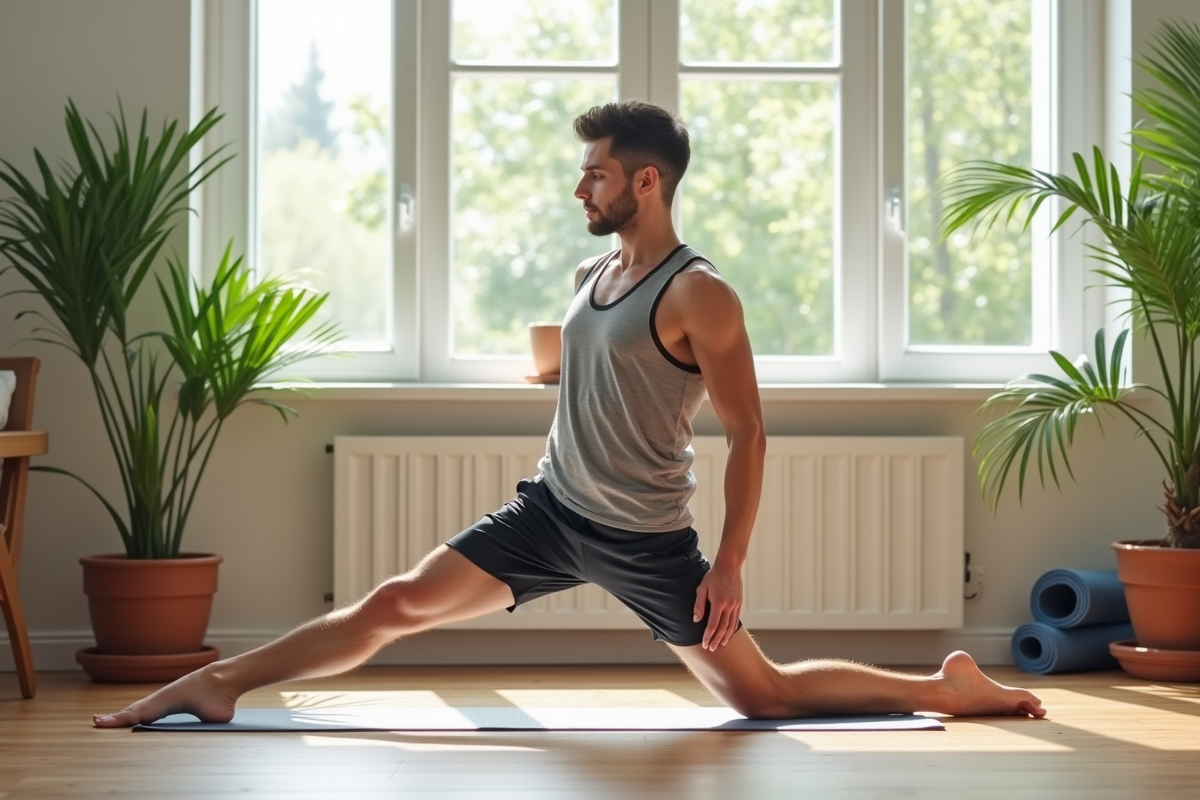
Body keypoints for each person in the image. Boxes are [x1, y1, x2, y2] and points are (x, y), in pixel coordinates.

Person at [93, 101, 1044, 728]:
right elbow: (591, 366)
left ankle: (943, 688)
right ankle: (220, 683)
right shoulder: (594, 274)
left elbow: (750, 432)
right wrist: (558, 373)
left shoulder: (702, 292)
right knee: (394, 605)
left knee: (765, 698)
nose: (579, 186)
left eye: (594, 173)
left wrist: (731, 564)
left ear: (646, 182)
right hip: (548, 515)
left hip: (643, 536)